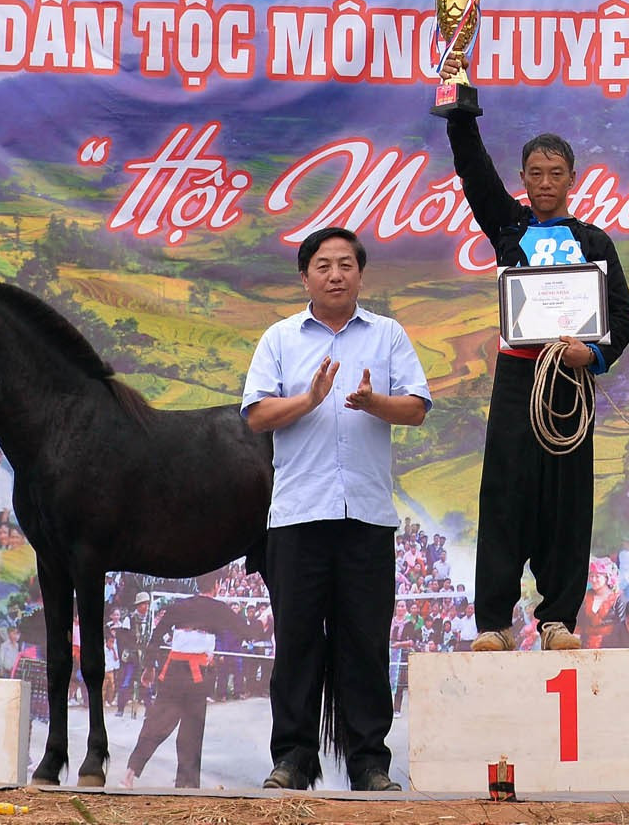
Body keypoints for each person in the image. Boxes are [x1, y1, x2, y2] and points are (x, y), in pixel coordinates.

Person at [440, 62, 629, 652]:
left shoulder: (594, 241)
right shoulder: (509, 226)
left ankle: (557, 619)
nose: (545, 182)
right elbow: (473, 172)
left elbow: (623, 317)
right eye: (535, 173)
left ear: (572, 178)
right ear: (523, 178)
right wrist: (459, 105)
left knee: (567, 499)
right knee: (504, 494)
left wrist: (593, 354)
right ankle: (495, 623)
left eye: (556, 174)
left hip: (570, 383)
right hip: (516, 376)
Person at [243, 227, 431, 792]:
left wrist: (375, 402)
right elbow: (254, 416)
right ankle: (294, 758)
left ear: (360, 274)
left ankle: (369, 761)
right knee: (297, 641)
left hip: (367, 516)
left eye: (345, 264)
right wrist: (309, 400)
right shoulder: (280, 338)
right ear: (305, 276)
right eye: (323, 265)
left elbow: (417, 408)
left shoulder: (388, 335)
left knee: (365, 642)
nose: (335, 274)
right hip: (298, 513)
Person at [122, 571, 257, 789]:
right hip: (197, 677)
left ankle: (130, 772)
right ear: (216, 586)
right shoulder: (219, 609)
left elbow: (157, 635)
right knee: (191, 730)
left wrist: (149, 667)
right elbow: (247, 631)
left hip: (172, 671)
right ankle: (187, 783)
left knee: (157, 722)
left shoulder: (180, 606)